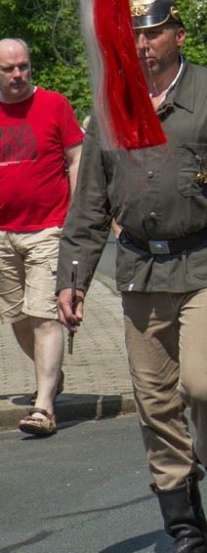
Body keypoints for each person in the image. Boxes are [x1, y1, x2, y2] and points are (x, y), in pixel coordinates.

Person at [56, 0, 207, 552]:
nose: (144, 44)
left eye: (155, 33)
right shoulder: (111, 103)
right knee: (155, 402)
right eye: (136, 34)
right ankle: (185, 526)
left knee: (201, 384)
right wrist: (72, 278)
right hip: (141, 269)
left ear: (179, 35)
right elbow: (91, 199)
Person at [0, 38, 83, 437]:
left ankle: (44, 406)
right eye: (8, 69)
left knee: (45, 316)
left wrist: (77, 216)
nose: (18, 75)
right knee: (17, 318)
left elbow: (75, 157)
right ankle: (51, 374)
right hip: (3, 234)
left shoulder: (54, 105)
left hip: (49, 229)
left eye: (23, 67)